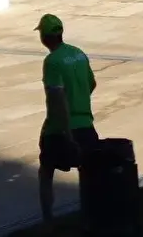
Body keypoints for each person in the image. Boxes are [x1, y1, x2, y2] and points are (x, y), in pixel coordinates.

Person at [36, 13, 99, 223]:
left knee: (46, 172)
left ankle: (48, 221)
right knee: (89, 172)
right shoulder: (79, 54)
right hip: (87, 125)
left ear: (44, 37)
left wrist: (66, 132)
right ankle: (92, 217)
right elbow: (92, 84)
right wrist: (79, 101)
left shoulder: (52, 61)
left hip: (59, 129)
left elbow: (57, 98)